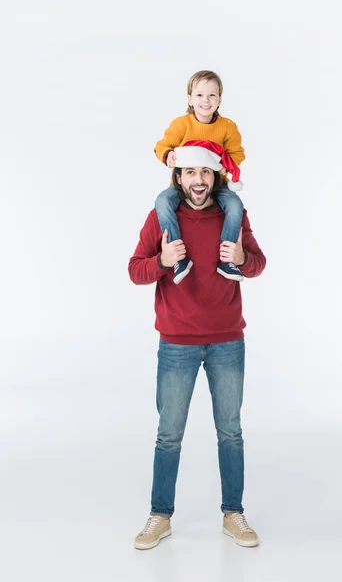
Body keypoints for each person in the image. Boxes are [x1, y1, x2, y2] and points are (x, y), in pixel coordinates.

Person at [128, 145, 266, 550]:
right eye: (190, 173)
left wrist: (241, 257)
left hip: (227, 339)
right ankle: (160, 516)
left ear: (216, 177)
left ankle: (233, 514)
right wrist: (162, 261)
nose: (198, 181)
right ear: (178, 178)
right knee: (168, 435)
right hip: (176, 343)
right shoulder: (161, 217)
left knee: (231, 433)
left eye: (205, 173)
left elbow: (258, 263)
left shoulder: (232, 216)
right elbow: (135, 269)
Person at [154, 69, 246, 284]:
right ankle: (178, 258)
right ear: (190, 99)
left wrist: (226, 166)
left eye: (212, 95)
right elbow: (161, 146)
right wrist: (168, 155)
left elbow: (237, 153)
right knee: (162, 201)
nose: (206, 100)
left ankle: (226, 260)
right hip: (182, 186)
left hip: (218, 185)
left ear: (219, 100)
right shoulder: (181, 125)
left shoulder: (227, 127)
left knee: (235, 205)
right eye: (199, 95)